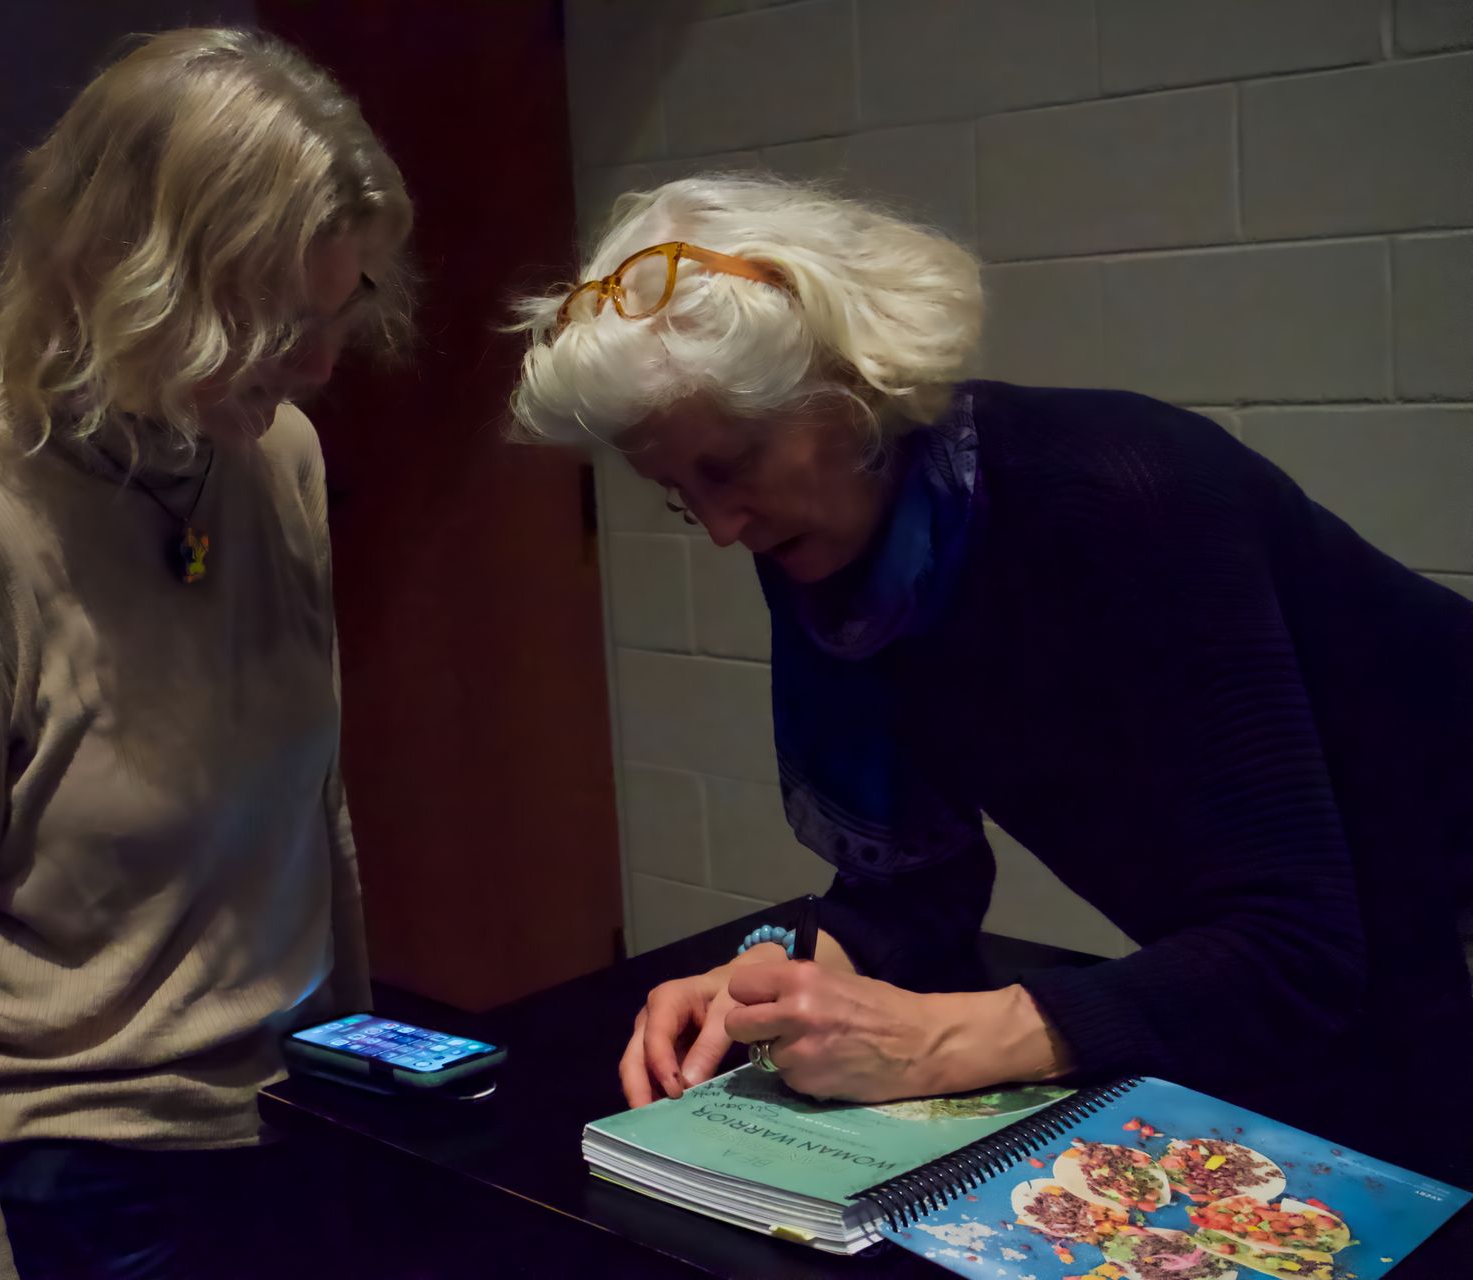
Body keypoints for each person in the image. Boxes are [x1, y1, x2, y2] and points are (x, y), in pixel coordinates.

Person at [509, 175, 1473, 1185]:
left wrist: (936, 1042)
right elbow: (916, 888)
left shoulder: (1129, 493)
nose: (717, 527)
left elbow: (1297, 946)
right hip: (1363, 967)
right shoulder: (832, 556)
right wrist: (781, 982)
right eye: (676, 494)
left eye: (732, 464)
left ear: (850, 386)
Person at [0, 28, 412, 1279]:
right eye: (271, 320)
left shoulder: (278, 460)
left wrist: (367, 1094)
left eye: (338, 309)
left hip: (298, 1118)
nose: (316, 365)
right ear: (136, 282)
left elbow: (315, 818)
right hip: (90, 1183)